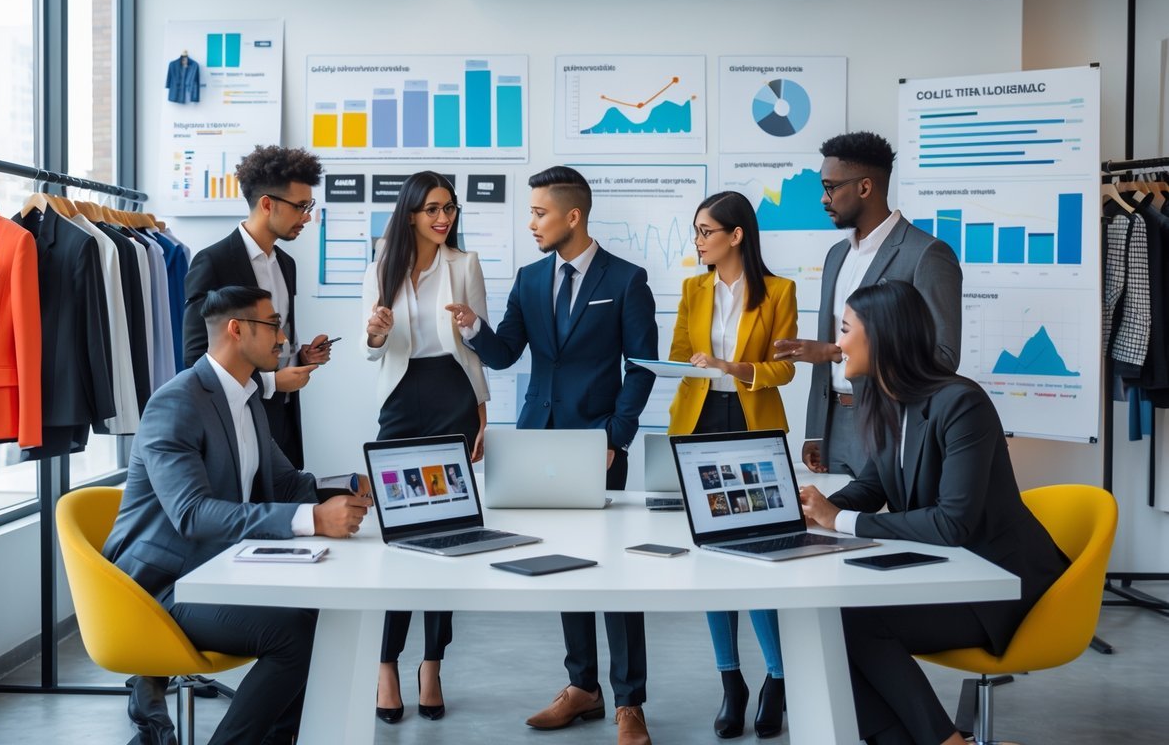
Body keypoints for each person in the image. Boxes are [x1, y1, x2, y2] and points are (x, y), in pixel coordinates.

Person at [798, 281, 1068, 745]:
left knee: (851, 621)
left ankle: (945, 742)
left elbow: (952, 522)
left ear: (880, 336)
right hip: (948, 571)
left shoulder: (961, 403)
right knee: (824, 624)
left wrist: (838, 520)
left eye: (845, 329)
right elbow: (875, 482)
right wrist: (811, 509)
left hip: (996, 583)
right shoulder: (884, 398)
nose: (837, 343)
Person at [102, 286, 372, 745]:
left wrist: (354, 485)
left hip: (217, 566)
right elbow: (192, 514)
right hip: (160, 585)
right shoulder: (177, 403)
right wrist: (313, 520)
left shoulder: (246, 399)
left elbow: (285, 483)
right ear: (236, 329)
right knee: (291, 636)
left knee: (324, 613)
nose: (283, 338)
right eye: (272, 325)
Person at [449, 165, 658, 745]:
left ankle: (630, 702)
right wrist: (473, 329)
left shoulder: (627, 279)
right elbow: (506, 352)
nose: (532, 222)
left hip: (599, 443)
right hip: (539, 440)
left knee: (616, 574)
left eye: (539, 212)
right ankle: (583, 687)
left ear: (573, 216)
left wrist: (616, 435)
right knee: (566, 565)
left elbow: (642, 367)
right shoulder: (530, 278)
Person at [665, 191, 797, 740]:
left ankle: (778, 677)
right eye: (695, 231)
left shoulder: (779, 291)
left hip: (753, 426)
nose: (698, 241)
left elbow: (784, 371)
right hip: (698, 424)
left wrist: (731, 366)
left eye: (705, 231)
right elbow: (676, 354)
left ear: (736, 234)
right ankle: (730, 681)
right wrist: (687, 364)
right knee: (713, 558)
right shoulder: (693, 288)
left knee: (760, 556)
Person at [362, 171, 490, 724]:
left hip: (454, 397)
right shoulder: (381, 265)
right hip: (400, 399)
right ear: (411, 212)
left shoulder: (465, 265)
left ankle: (432, 662)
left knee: (449, 535)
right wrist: (375, 329)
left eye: (451, 209)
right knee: (399, 538)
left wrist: (484, 409)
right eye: (434, 209)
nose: (445, 219)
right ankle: (386, 661)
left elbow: (477, 345)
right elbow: (373, 350)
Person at [773, 132, 962, 477]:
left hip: (892, 425)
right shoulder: (836, 256)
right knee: (829, 528)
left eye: (831, 187)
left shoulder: (926, 254)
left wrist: (834, 352)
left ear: (864, 187)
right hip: (831, 428)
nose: (823, 198)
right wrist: (816, 430)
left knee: (877, 528)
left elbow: (944, 357)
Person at [183, 145, 334, 469]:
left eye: (309, 205)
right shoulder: (213, 262)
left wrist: (301, 356)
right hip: (233, 423)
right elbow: (197, 359)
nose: (307, 216)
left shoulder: (287, 265)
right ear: (267, 204)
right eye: (300, 206)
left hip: (283, 424)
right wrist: (273, 383)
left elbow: (269, 340)